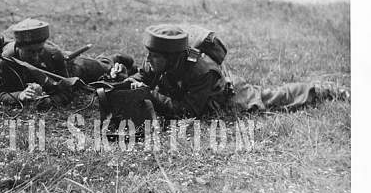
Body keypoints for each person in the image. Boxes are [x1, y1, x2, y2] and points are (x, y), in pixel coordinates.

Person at [126, 24, 349, 119]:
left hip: (227, 97)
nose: (148, 59)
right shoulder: (158, 60)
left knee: (273, 98)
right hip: (201, 88)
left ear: (171, 57)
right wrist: (125, 78)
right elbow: (142, 77)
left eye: (154, 56)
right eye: (150, 54)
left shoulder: (201, 71)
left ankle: (321, 90)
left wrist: (149, 94)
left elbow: (188, 112)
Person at [0, 18, 136, 105]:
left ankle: (117, 58)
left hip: (73, 68)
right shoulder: (5, 59)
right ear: (18, 47)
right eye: (31, 52)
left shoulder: (53, 54)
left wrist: (46, 101)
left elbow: (67, 93)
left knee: (103, 67)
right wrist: (20, 95)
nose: (36, 56)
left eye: (40, 50)